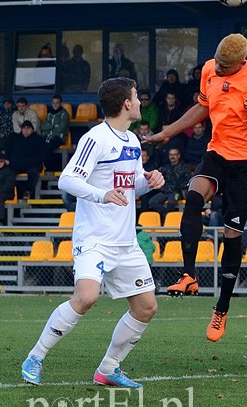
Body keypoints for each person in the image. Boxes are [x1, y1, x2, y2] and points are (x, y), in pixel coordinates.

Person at [20, 77, 165, 388]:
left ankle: (109, 369)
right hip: (95, 239)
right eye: (136, 97)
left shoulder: (132, 141)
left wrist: (148, 180)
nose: (140, 101)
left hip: (125, 242)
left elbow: (131, 184)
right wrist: (101, 195)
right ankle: (35, 356)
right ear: (126, 103)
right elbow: (67, 180)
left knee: (146, 307)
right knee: (86, 297)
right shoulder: (95, 138)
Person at [147, 33, 247, 342]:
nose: (218, 69)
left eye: (224, 66)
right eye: (216, 62)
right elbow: (202, 108)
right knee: (192, 196)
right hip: (217, 153)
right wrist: (168, 132)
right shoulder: (208, 70)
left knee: (232, 233)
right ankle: (188, 275)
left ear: (240, 63)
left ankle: (222, 308)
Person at [0, 120, 48, 203]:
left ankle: (28, 191)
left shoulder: (38, 139)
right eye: (24, 128)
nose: (26, 130)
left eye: (28, 128)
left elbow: (41, 155)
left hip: (31, 164)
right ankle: (6, 194)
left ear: (32, 129)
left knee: (33, 172)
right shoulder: (16, 138)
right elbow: (9, 151)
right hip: (16, 165)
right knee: (6, 172)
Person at [147, 147, 191, 222]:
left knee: (172, 202)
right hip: (165, 191)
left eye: (174, 154)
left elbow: (187, 181)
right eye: (171, 155)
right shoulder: (165, 168)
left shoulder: (184, 168)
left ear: (179, 156)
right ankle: (167, 215)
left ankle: (167, 219)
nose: (172, 157)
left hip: (177, 192)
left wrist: (179, 189)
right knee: (152, 202)